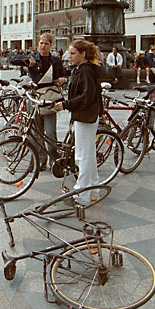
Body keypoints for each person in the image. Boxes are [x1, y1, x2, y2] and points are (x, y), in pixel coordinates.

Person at [53, 40, 103, 206]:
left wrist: (67, 104)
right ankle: (94, 191)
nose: (70, 56)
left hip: (85, 116)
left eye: (73, 53)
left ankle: (81, 195)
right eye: (69, 53)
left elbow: (87, 96)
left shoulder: (86, 71)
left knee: (82, 156)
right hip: (84, 115)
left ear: (83, 54)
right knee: (88, 154)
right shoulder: (82, 69)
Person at [11, 33, 67, 170]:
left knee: (50, 131)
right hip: (35, 97)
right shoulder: (33, 58)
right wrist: (27, 58)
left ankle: (54, 159)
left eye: (46, 43)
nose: (43, 46)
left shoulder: (56, 60)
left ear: (50, 45)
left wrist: (62, 80)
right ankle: (40, 159)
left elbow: (65, 75)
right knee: (36, 131)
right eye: (41, 43)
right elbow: (13, 60)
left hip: (49, 98)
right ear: (38, 45)